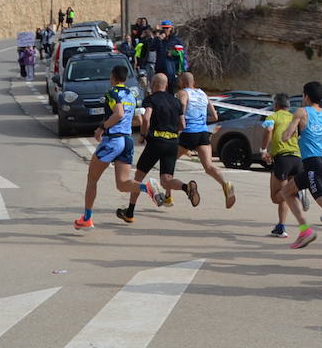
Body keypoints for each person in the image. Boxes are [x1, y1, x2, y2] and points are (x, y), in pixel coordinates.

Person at [75, 65, 154, 229]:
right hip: (127, 140)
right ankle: (146, 187)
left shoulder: (112, 93)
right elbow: (137, 120)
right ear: (125, 78)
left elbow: (119, 114)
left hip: (113, 140)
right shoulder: (131, 95)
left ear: (113, 77)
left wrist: (102, 128)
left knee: (92, 178)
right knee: (122, 184)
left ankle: (87, 218)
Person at [116, 74, 198, 224]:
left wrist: (143, 134)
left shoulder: (151, 99)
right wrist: (173, 133)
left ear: (153, 84)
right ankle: (186, 187)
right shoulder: (175, 101)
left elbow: (146, 118)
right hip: (172, 143)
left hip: (155, 143)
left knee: (138, 178)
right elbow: (183, 125)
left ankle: (130, 212)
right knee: (167, 180)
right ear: (166, 85)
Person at [283, 82, 322, 227]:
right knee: (286, 192)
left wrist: (291, 133)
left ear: (306, 96)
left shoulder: (301, 112)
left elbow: (286, 136)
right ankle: (304, 229)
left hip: (312, 168)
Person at [261, 92, 313, 245]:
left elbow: (269, 130)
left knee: (277, 197)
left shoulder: (273, 117)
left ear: (276, 105)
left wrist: (264, 149)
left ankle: (297, 195)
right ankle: (281, 226)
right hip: (297, 158)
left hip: (283, 160)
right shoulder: (293, 118)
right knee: (287, 193)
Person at [178, 72, 235, 208]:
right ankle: (225, 184)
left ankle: (168, 196)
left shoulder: (183, 93)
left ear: (182, 82)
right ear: (194, 81)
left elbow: (181, 110)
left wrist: (180, 126)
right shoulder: (203, 94)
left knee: (168, 163)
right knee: (208, 167)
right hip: (203, 133)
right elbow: (215, 116)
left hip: (188, 133)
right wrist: (201, 119)